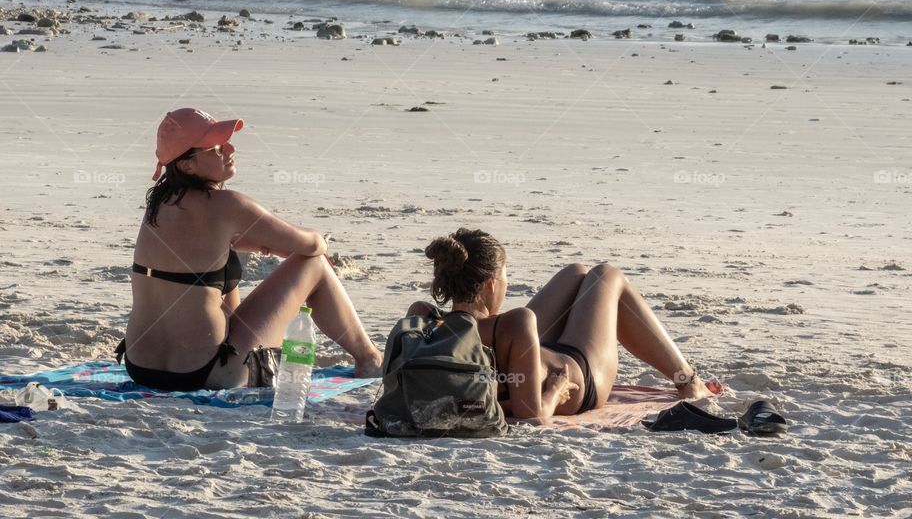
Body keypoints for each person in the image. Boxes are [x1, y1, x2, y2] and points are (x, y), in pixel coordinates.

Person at [115, 108, 382, 391]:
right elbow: (312, 244)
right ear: (187, 165)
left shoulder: (159, 206)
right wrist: (313, 241)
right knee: (314, 263)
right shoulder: (228, 205)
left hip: (141, 368)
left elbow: (216, 249)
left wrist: (266, 246)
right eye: (217, 148)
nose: (230, 150)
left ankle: (368, 358)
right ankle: (370, 359)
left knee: (216, 274)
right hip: (209, 373)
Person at [408, 228, 716, 423]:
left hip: (528, 355)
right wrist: (555, 390)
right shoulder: (515, 323)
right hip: (580, 375)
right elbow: (533, 416)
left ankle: (687, 378)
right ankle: (688, 381)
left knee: (575, 273)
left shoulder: (423, 318)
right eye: (504, 277)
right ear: (490, 284)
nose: (505, 283)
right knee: (605, 276)